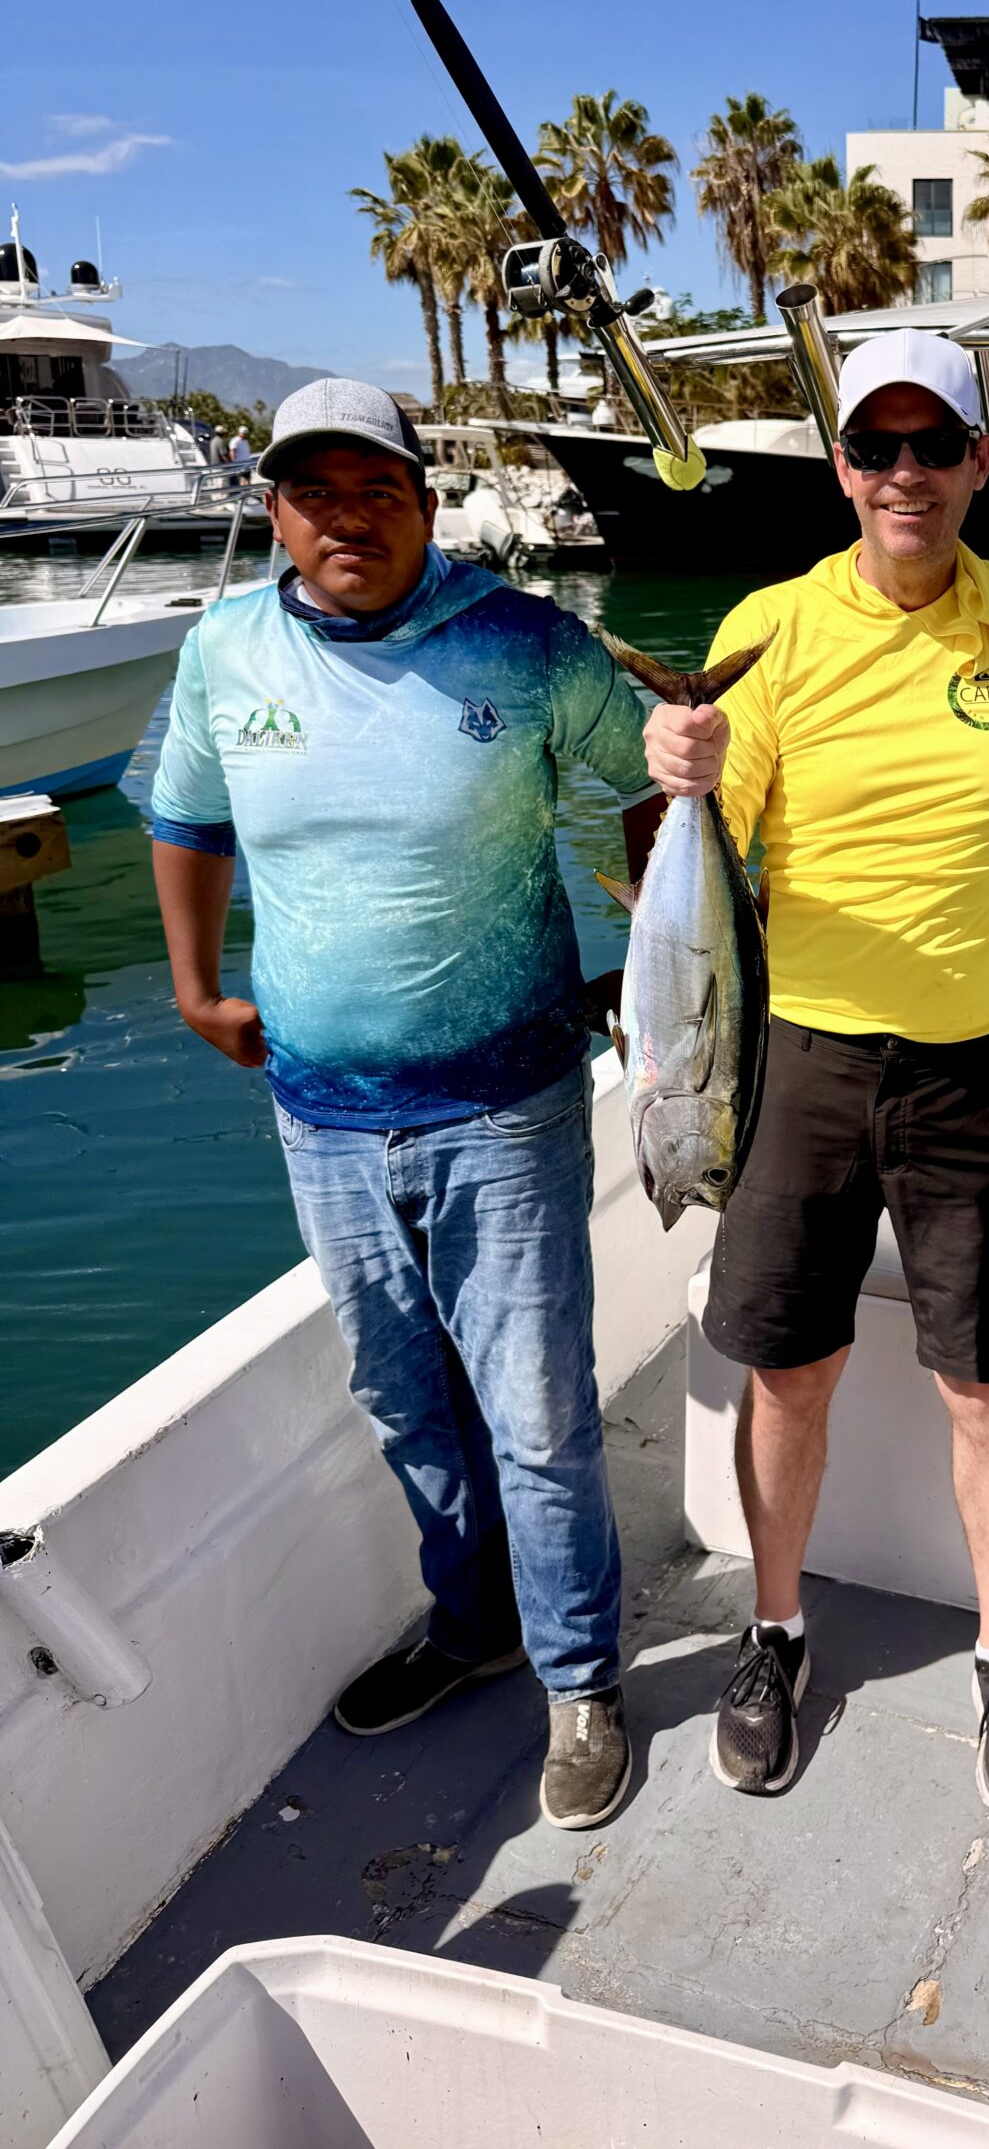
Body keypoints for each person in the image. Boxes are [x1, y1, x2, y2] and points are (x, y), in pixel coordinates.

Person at [149, 377, 654, 1834]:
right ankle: (471, 1618)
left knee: (539, 1407)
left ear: (426, 503)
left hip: (506, 1105)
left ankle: (578, 1680)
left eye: (378, 489)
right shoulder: (226, 646)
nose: (348, 519)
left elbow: (653, 777)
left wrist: (655, 958)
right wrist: (193, 989)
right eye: (316, 494)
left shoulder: (522, 638)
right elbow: (183, 819)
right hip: (319, 1113)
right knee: (400, 1394)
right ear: (275, 512)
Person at [644, 329, 989, 1819]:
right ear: (842, 467)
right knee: (789, 1367)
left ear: (980, 461)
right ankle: (774, 1632)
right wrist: (682, 790)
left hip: (980, 1062)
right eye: (875, 448)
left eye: (933, 447)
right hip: (803, 1059)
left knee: (988, 1390)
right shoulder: (773, 622)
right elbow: (723, 857)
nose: (904, 474)